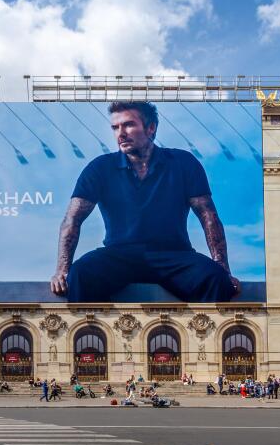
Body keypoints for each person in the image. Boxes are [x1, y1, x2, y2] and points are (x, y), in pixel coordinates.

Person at [50, 101, 241, 303]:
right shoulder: (100, 168)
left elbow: (208, 216)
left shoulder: (183, 162)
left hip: (174, 256)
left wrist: (223, 268)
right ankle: (95, 326)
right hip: (119, 255)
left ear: (151, 128)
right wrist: (62, 270)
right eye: (115, 127)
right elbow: (72, 219)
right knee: (80, 273)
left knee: (215, 278)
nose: (120, 133)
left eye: (128, 125)